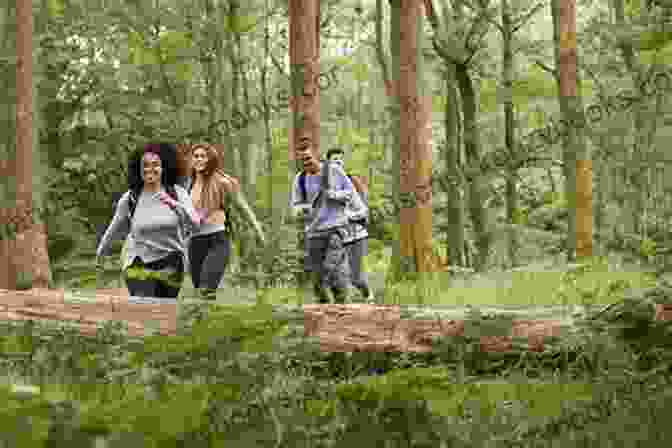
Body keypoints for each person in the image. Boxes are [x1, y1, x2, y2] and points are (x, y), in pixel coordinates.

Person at [96, 143, 201, 299]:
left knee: (162, 310)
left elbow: (195, 226)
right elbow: (114, 228)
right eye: (144, 165)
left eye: (155, 165)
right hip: (137, 260)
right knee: (143, 304)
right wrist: (100, 253)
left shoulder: (178, 194)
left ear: (164, 167)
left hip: (171, 261)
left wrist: (175, 206)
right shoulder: (130, 198)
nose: (149, 169)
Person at [185, 143, 266, 301]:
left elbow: (243, 207)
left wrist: (258, 230)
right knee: (200, 291)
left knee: (205, 290)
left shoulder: (223, 182)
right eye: (196, 156)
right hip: (195, 242)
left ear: (210, 159)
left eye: (203, 156)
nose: (199, 159)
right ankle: (207, 323)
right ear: (192, 160)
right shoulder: (189, 185)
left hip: (217, 241)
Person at [290, 146, 364, 304]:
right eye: (302, 160)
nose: (306, 163)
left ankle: (343, 307)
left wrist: (334, 195)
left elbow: (351, 193)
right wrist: (302, 211)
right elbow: (296, 205)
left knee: (331, 269)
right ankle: (323, 313)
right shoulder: (300, 179)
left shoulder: (334, 171)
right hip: (314, 232)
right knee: (317, 279)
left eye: (308, 158)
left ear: (317, 156)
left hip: (336, 229)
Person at [325, 147, 373, 302]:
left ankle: (368, 296)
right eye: (334, 160)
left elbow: (363, 211)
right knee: (331, 270)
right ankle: (339, 303)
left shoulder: (352, 181)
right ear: (328, 163)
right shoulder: (324, 183)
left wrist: (346, 216)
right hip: (336, 236)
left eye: (340, 159)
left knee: (355, 277)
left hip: (356, 235)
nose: (338, 162)